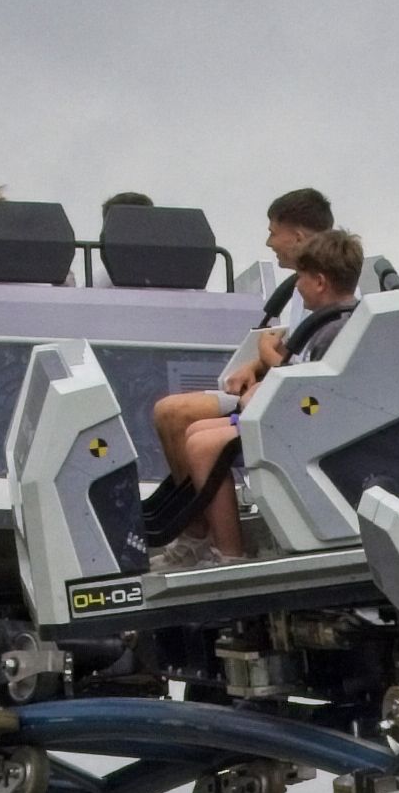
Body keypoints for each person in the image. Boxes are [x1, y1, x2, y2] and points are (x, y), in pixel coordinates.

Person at [147, 227, 366, 558]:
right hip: (294, 416)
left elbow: (315, 391)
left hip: (308, 427)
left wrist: (266, 364)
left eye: (302, 278)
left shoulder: (336, 329)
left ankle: (230, 552)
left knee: (203, 445)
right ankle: (203, 538)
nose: (297, 285)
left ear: (320, 282)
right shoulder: (330, 322)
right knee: (195, 430)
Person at [252, 187, 335, 329]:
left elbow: (317, 351)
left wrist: (266, 350)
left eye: (273, 234)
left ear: (298, 238)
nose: (268, 243)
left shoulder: (330, 291)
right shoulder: (301, 286)